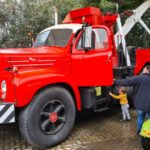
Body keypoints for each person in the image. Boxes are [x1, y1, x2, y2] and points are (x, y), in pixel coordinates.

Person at [114, 65, 150, 134]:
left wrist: (115, 82)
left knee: (140, 116)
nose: (143, 70)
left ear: (147, 69)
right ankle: (147, 134)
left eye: (144, 68)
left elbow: (127, 81)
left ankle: (139, 132)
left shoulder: (140, 78)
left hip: (140, 104)